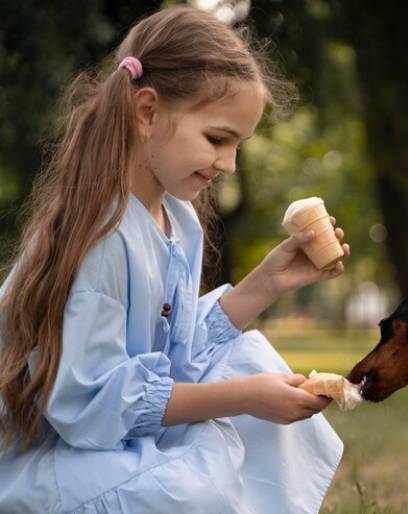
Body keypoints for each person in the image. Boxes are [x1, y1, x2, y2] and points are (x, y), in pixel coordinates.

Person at [0, 6, 350, 513]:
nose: (228, 164)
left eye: (237, 146)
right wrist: (245, 398)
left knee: (253, 364)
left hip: (102, 443)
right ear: (147, 112)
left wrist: (267, 282)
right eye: (217, 139)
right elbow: (90, 406)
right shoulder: (99, 234)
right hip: (41, 458)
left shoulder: (178, 220)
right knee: (195, 487)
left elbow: (174, 357)